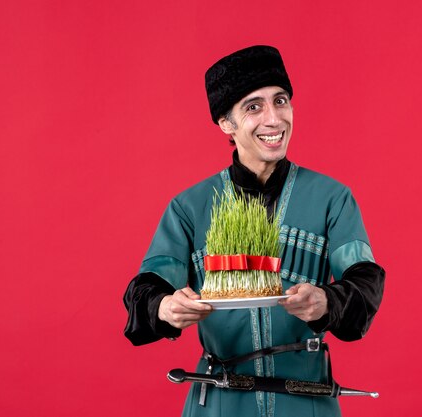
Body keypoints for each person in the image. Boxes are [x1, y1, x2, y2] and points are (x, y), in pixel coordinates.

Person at [123, 45, 385, 417]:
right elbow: (144, 290)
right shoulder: (190, 207)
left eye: (281, 101)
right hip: (219, 399)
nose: (274, 119)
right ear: (226, 124)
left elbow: (365, 281)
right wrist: (165, 306)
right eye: (253, 106)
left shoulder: (332, 198)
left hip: (307, 397)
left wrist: (327, 301)